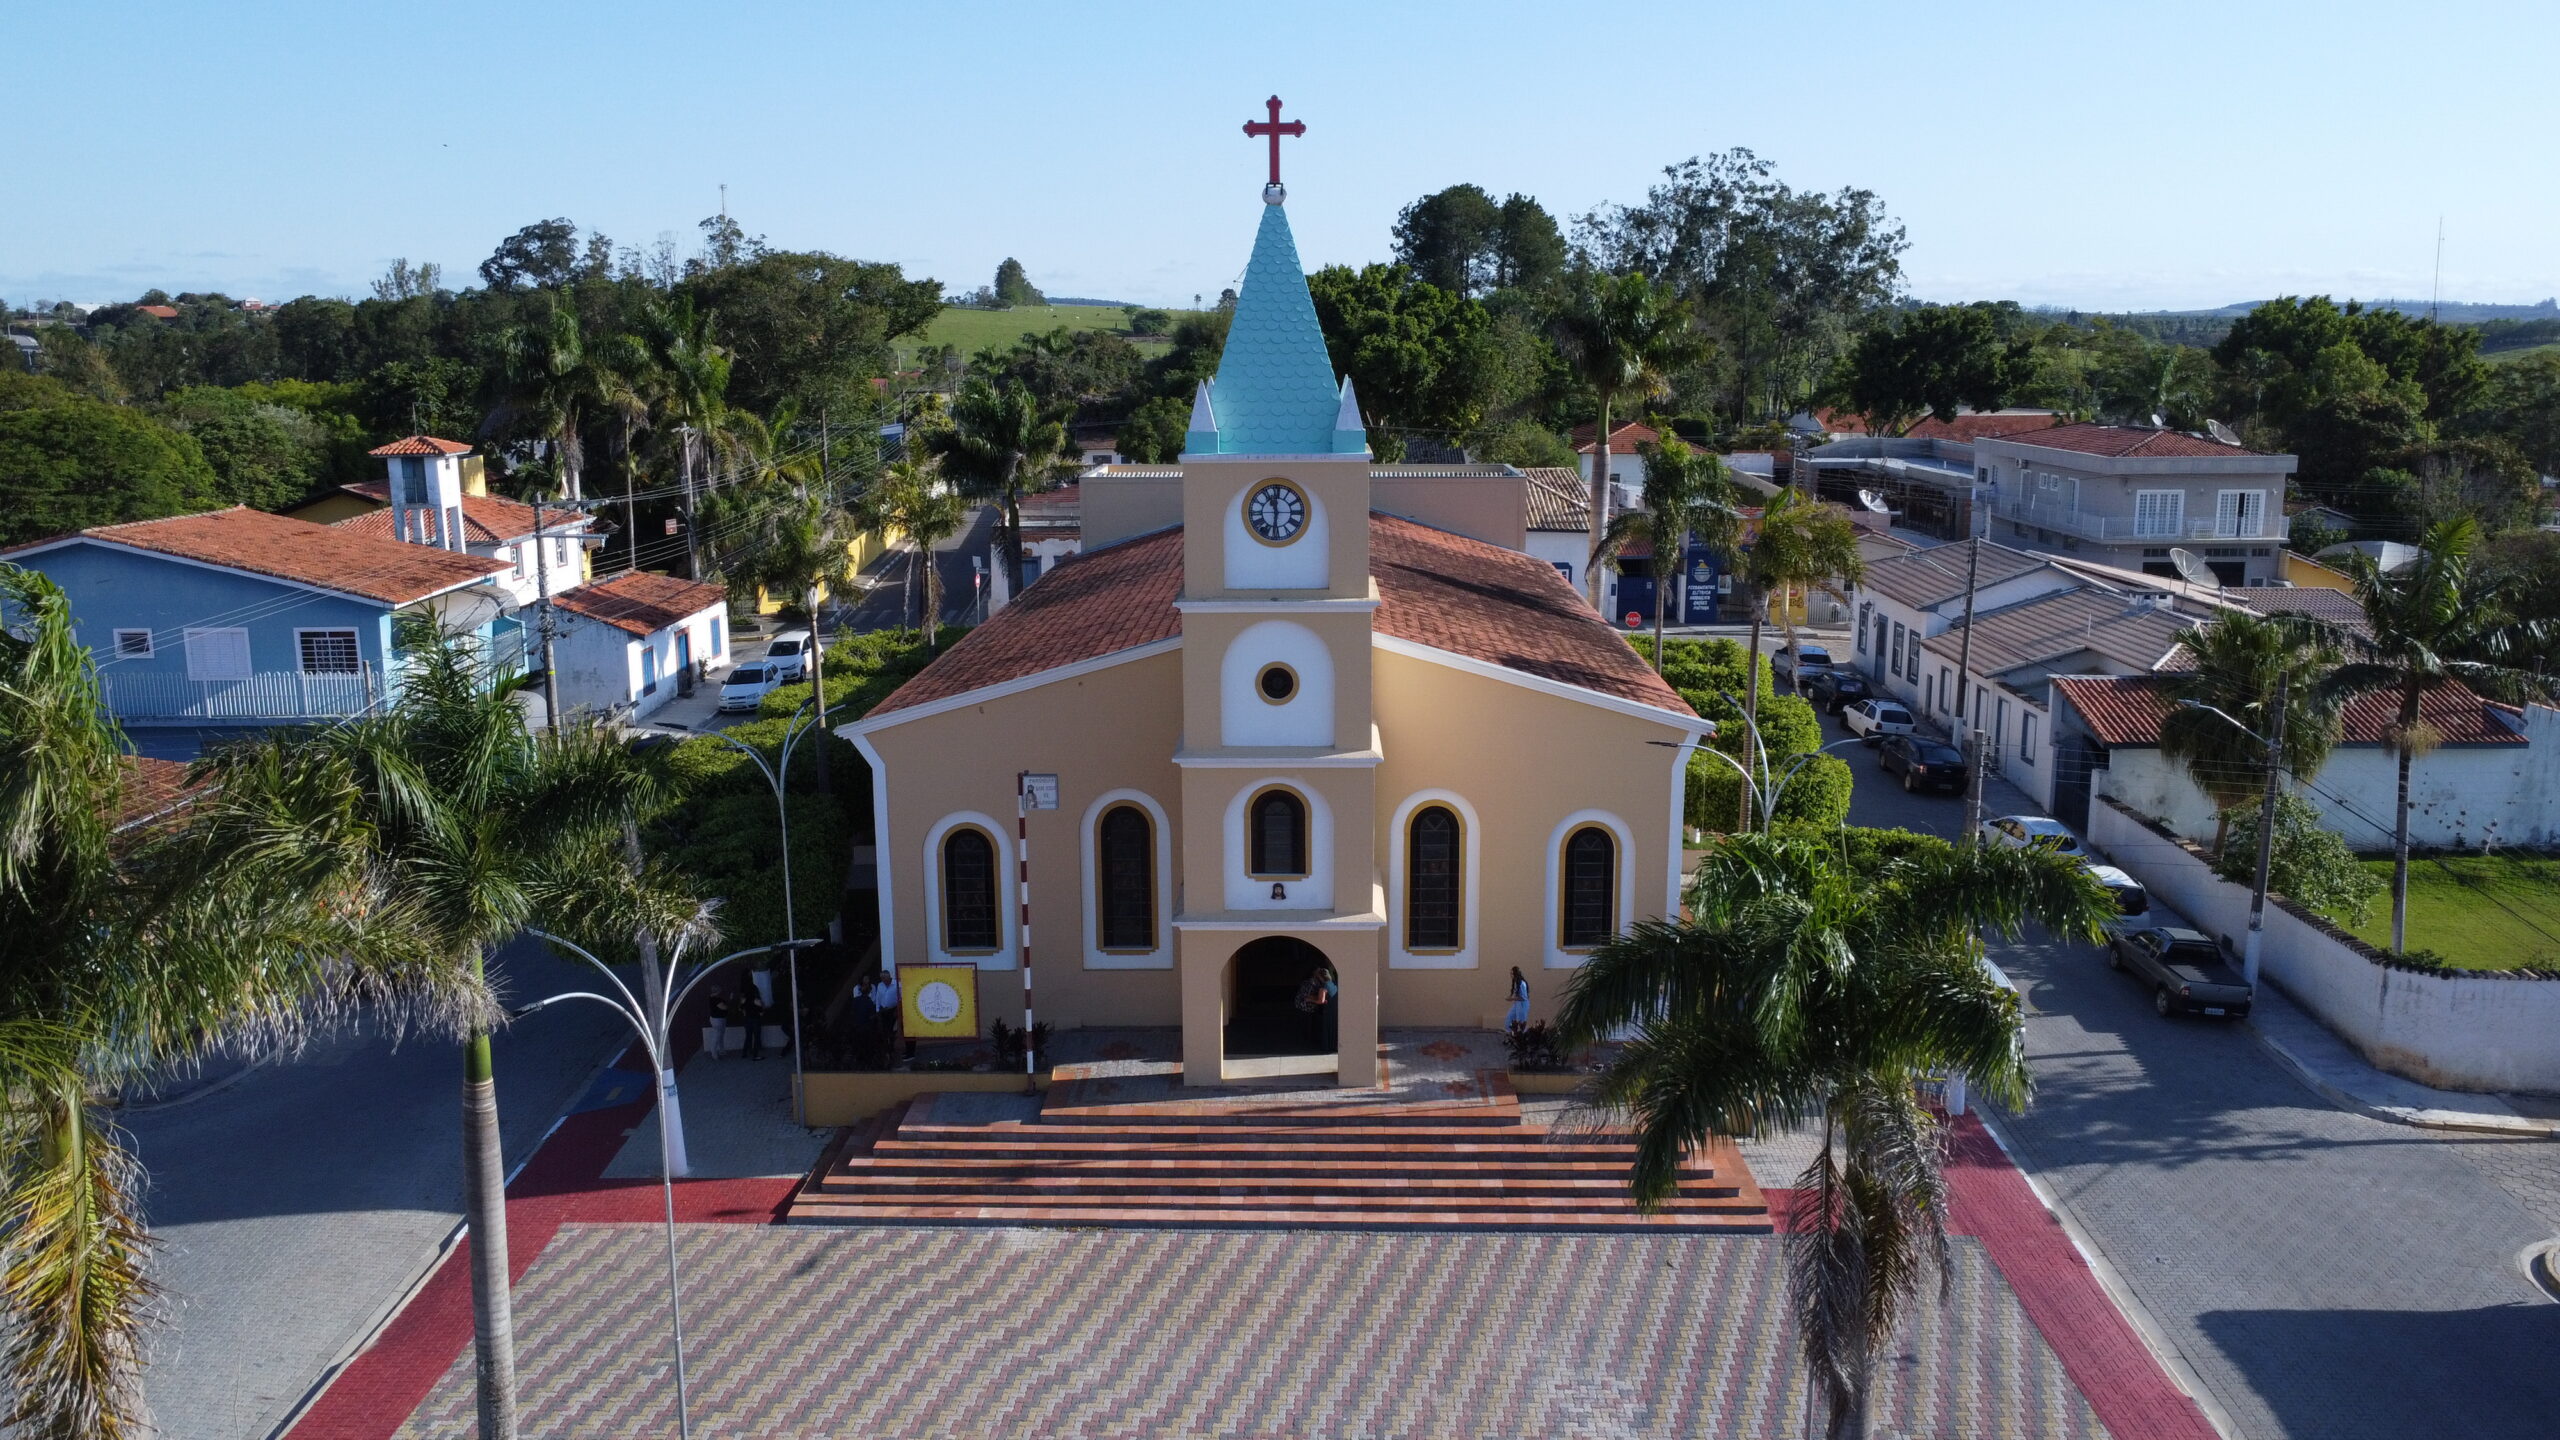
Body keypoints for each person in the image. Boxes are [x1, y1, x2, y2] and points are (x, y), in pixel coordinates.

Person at [736, 976, 767, 1061]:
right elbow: (761, 1013)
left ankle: (744, 1053)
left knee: (748, 1036)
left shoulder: (744, 1000)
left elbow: (740, 1009)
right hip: (756, 1020)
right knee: (756, 1037)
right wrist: (763, 1006)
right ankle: (755, 1055)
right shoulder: (757, 1001)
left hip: (747, 1020)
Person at [1318, 964, 1340, 1053]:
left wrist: (1309, 999)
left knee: (1327, 1029)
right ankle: (1334, 1046)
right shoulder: (1334, 983)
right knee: (1334, 1028)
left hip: (1328, 1011)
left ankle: (1327, 1047)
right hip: (1335, 1010)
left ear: (1321, 977)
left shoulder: (1324, 986)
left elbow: (1321, 1001)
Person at [706, 992, 732, 1059]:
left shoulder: (712, 998)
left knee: (720, 1035)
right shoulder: (715, 999)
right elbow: (724, 1007)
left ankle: (721, 1050)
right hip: (717, 1019)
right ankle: (714, 1053)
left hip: (718, 1018)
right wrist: (730, 1000)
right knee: (717, 1035)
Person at [1505, 967, 1531, 1031]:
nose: (1510, 975)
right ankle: (1511, 1033)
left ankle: (1522, 1035)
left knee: (1521, 1022)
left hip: (1522, 1005)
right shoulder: (1516, 982)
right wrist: (1511, 997)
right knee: (1509, 1018)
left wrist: (1512, 999)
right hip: (1517, 1004)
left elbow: (1524, 998)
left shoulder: (1522, 983)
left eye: (1512, 974)